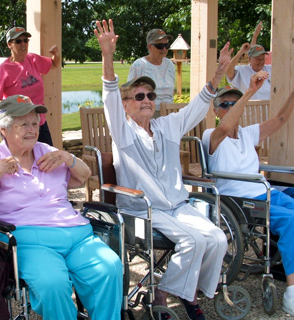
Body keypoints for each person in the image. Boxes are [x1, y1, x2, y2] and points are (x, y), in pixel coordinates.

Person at [95, 19, 230, 320]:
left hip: (177, 206)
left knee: (218, 239)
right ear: (127, 106)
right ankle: (164, 297)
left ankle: (188, 291)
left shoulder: (167, 126)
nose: (147, 100)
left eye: (151, 96)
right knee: (193, 240)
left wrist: (219, 73)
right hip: (143, 210)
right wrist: (107, 56)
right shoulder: (124, 131)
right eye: (139, 96)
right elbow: (109, 96)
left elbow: (198, 105)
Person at [0, 94, 123, 320]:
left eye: (35, 123)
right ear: (4, 130)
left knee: (110, 267)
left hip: (77, 235)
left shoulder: (47, 151)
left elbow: (84, 176)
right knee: (52, 283)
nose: (32, 129)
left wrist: (68, 158)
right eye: (23, 124)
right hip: (29, 240)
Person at [202, 72, 294, 320]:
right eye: (225, 104)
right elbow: (225, 127)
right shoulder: (212, 135)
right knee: (292, 222)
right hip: (239, 201)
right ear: (216, 110)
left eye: (235, 103)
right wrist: (250, 92)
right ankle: (292, 294)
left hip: (264, 192)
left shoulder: (248, 133)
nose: (231, 107)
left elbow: (281, 118)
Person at [0, 27, 60, 146]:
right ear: (9, 45)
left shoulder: (33, 59)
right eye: (18, 41)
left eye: (25, 40)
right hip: (17, 125)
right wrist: (13, 104)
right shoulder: (3, 69)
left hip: (39, 122)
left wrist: (56, 55)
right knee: (21, 161)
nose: (23, 44)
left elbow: (54, 64)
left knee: (48, 158)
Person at [128, 28, 176, 115]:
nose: (164, 49)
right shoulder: (139, 65)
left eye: (167, 46)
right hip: (147, 113)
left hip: (169, 112)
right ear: (150, 47)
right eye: (160, 46)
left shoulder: (169, 64)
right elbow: (129, 92)